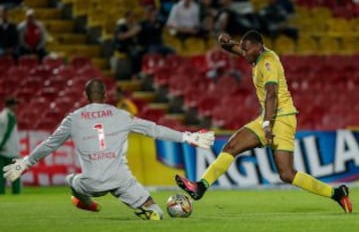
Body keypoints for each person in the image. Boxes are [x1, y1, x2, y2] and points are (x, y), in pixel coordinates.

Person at [175, 30, 352, 213]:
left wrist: (267, 125)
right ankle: (200, 186)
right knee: (232, 146)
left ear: (259, 47)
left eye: (247, 50)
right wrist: (224, 41)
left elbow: (272, 95)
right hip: (267, 116)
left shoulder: (268, 62)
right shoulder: (254, 54)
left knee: (286, 174)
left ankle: (337, 193)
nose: (244, 53)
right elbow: (233, 47)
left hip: (282, 118)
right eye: (243, 49)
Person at [2, 79, 215, 220]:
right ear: (105, 95)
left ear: (86, 96)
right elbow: (154, 130)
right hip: (120, 179)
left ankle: (87, 203)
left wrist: (26, 162)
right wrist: (189, 137)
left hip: (91, 182)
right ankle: (146, 208)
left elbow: (50, 144)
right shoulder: (121, 115)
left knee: (71, 180)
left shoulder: (73, 119)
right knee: (156, 211)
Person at [0, 97, 20, 194]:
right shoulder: (8, 116)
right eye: (15, 104)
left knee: (2, 175)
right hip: (8, 150)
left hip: (6, 149)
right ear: (10, 105)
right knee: (14, 174)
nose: (17, 106)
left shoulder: (4, 115)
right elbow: (6, 133)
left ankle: (2, 194)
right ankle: (16, 194)